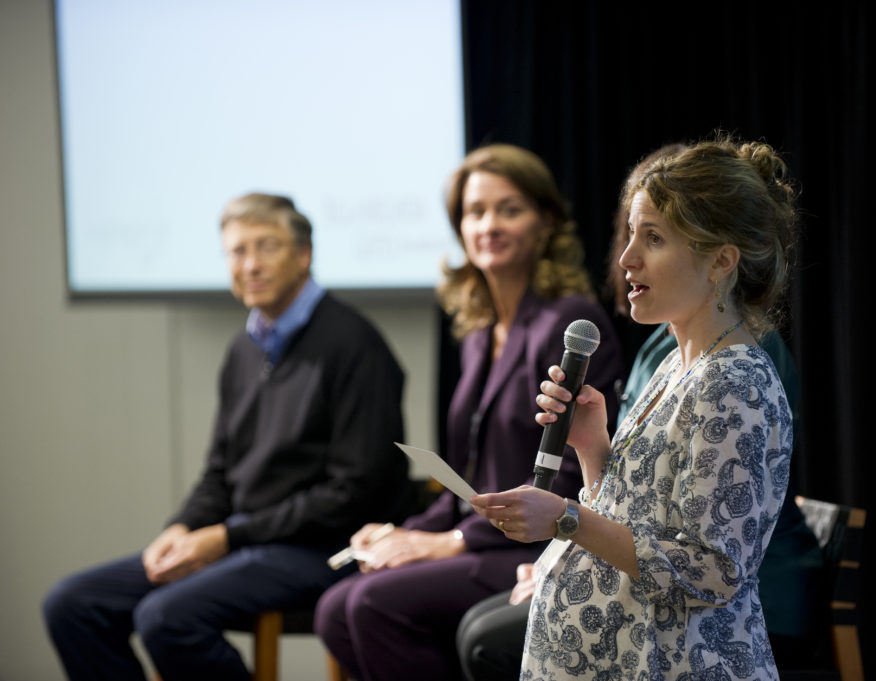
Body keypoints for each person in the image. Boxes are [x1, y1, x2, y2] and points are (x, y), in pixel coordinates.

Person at [457, 143, 822, 680]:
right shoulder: (678, 365)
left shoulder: (735, 382)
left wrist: (564, 517)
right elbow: (641, 523)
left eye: (653, 238)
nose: (627, 258)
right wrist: (592, 446)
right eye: (630, 233)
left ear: (721, 261)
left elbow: (712, 572)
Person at [42, 193, 413, 681]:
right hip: (249, 541)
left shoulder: (354, 344)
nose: (251, 264)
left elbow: (352, 494)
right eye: (237, 251)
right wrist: (182, 528)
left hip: (325, 548)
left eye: (267, 247)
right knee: (73, 604)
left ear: (304, 255)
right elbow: (220, 472)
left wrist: (226, 537)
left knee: (167, 618)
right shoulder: (245, 347)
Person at [313, 143, 625, 681]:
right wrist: (401, 531)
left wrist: (446, 543)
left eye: (510, 209)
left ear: (546, 222)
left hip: (538, 541)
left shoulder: (568, 321)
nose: (489, 224)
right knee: (335, 608)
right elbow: (468, 483)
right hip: (484, 540)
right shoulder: (480, 334)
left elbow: (569, 479)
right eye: (475, 212)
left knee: (371, 605)